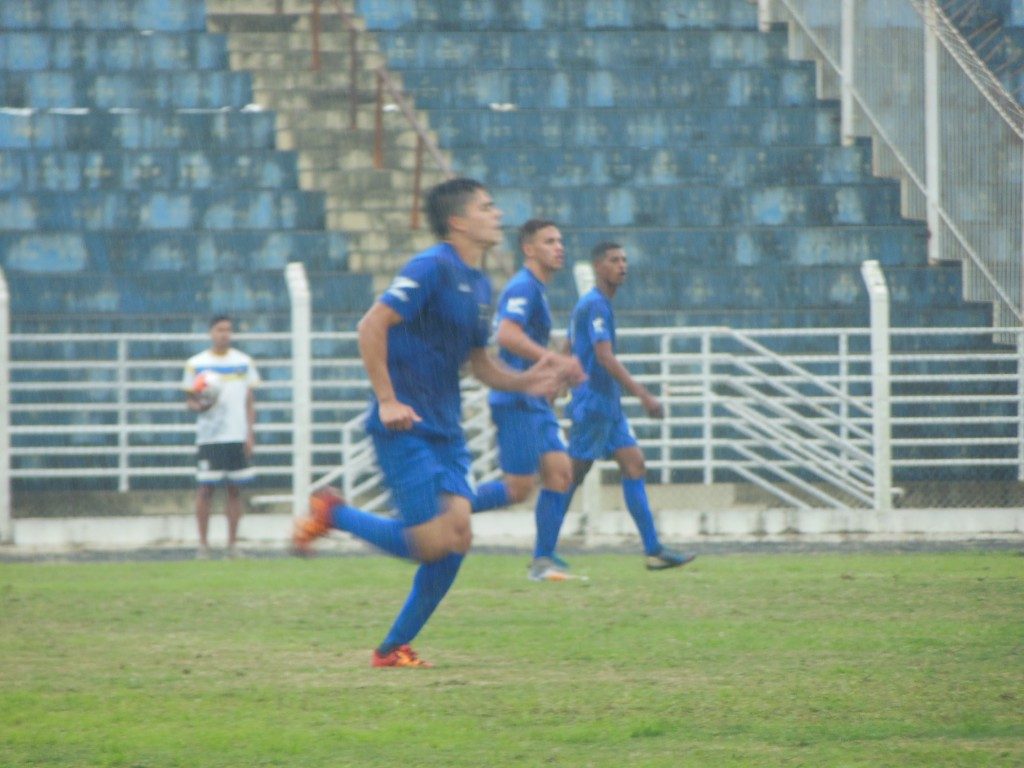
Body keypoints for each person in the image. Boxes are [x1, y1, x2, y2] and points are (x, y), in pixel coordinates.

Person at [291, 178, 578, 668]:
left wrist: (528, 381)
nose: (497, 215)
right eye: (487, 207)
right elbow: (371, 326)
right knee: (429, 544)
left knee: (458, 538)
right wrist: (386, 400)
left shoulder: (481, 283)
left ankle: (391, 649)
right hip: (405, 423)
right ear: (459, 221)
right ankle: (332, 511)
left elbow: (478, 362)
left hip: (446, 426)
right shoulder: (430, 267)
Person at [557, 242, 696, 571]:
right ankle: (542, 551)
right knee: (570, 477)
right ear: (597, 267)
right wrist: (644, 395)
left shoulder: (592, 304)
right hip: (593, 405)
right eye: (614, 260)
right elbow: (604, 357)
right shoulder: (596, 305)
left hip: (608, 406)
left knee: (634, 465)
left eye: (624, 260)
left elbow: (567, 342)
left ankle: (654, 549)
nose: (622, 265)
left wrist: (558, 380)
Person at [472, 219, 584, 582]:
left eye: (560, 240)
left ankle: (543, 561)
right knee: (518, 489)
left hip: (533, 399)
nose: (559, 247)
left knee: (560, 473)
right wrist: (551, 360)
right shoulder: (524, 287)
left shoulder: (536, 289)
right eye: (549, 241)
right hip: (516, 398)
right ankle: (442, 510)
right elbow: (506, 334)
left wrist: (551, 376)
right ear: (529, 249)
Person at [183, 314, 260, 559]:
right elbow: (191, 401)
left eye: (228, 330)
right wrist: (200, 406)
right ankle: (203, 545)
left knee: (234, 490)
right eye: (219, 329)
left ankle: (232, 545)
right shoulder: (196, 364)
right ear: (211, 332)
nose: (224, 334)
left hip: (236, 434)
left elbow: (249, 401)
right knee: (205, 489)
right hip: (210, 437)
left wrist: (249, 434)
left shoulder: (243, 362)